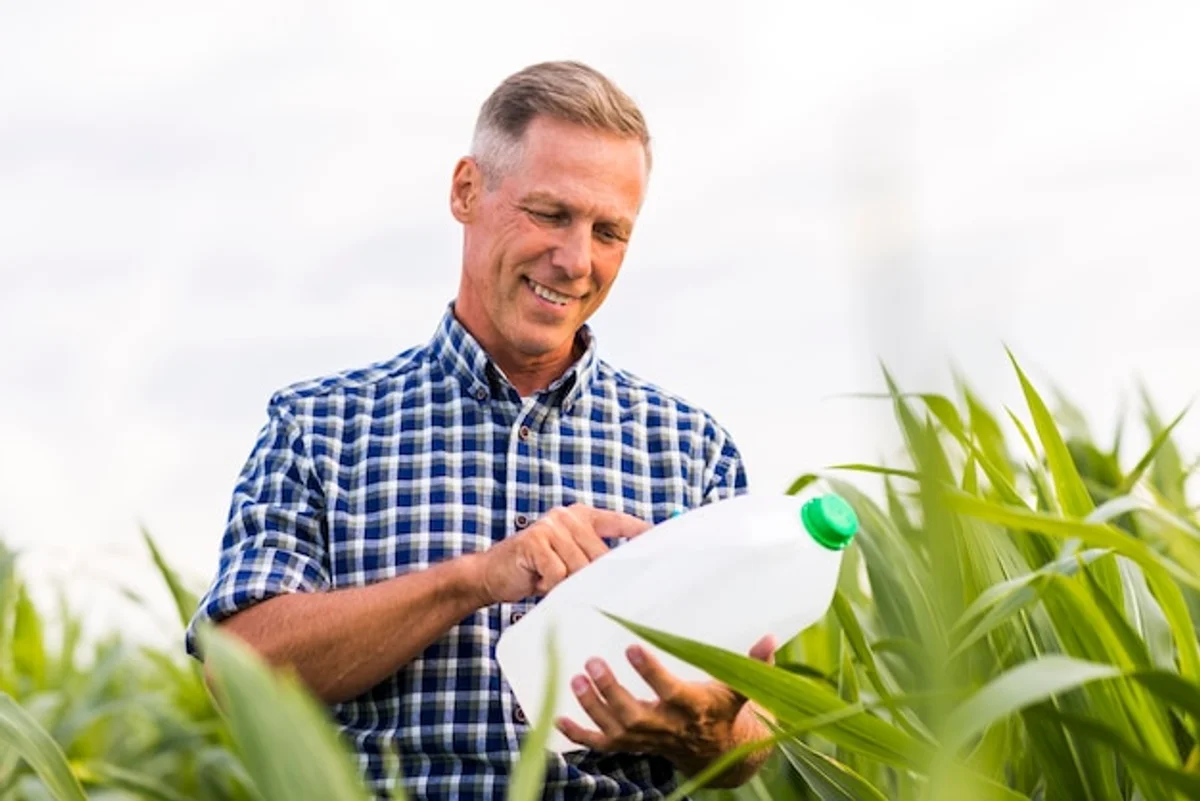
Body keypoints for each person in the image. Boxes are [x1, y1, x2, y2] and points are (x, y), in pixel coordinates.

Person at [185, 60, 775, 800]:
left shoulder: (693, 451)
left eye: (609, 231)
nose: (575, 260)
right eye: (551, 214)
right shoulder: (319, 428)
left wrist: (706, 731)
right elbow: (235, 671)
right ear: (468, 190)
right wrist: (475, 579)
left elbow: (751, 733)